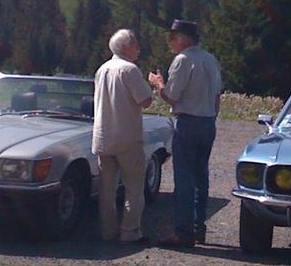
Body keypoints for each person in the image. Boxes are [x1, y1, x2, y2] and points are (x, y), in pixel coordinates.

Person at [149, 19, 222, 247]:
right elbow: (218, 96)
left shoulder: (182, 60)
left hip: (188, 122)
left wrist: (158, 83)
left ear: (181, 38)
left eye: (172, 37)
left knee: (184, 180)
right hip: (208, 122)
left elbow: (171, 96)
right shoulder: (211, 59)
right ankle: (199, 227)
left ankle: (183, 232)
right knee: (201, 177)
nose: (170, 42)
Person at [92, 29, 154, 245]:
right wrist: (155, 84)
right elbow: (145, 100)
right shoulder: (130, 70)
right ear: (126, 47)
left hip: (103, 136)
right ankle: (130, 231)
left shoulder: (102, 69)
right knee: (134, 187)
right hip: (127, 136)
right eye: (135, 43)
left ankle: (107, 231)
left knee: (106, 189)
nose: (138, 48)